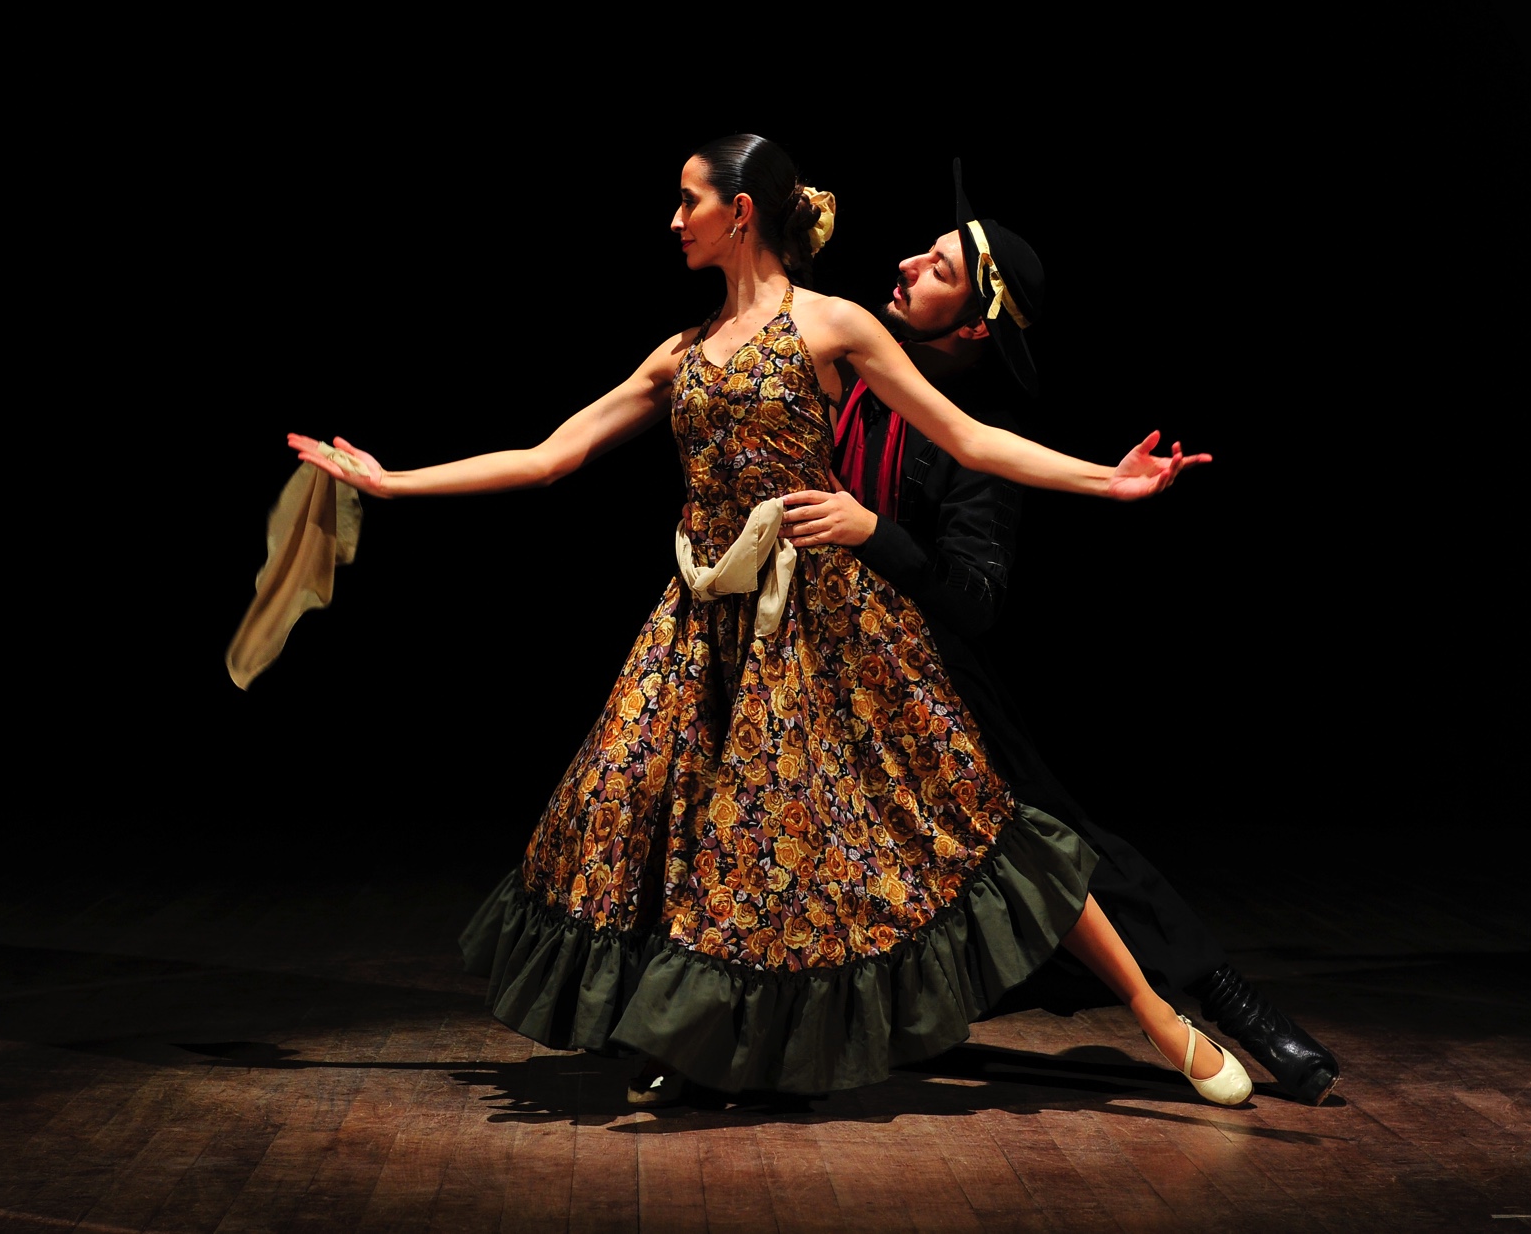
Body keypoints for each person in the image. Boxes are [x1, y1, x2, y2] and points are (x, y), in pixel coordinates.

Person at [290, 134, 1242, 1106]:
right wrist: (392, 482)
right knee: (642, 808)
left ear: (739, 213)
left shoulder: (831, 325)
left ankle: (1159, 1019)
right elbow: (549, 456)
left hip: (821, 621)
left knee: (965, 818)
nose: (674, 220)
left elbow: (966, 436)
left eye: (688, 200)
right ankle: (695, 1034)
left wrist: (1107, 481)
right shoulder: (681, 352)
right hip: (702, 624)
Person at [779, 162, 1341, 1104]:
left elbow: (974, 598)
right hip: (818, 669)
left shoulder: (977, 439)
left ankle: (1236, 1010)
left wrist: (877, 532)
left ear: (973, 327)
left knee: (1065, 848)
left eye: (941, 269)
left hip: (933, 682)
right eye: (926, 251)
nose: (908, 264)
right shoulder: (843, 363)